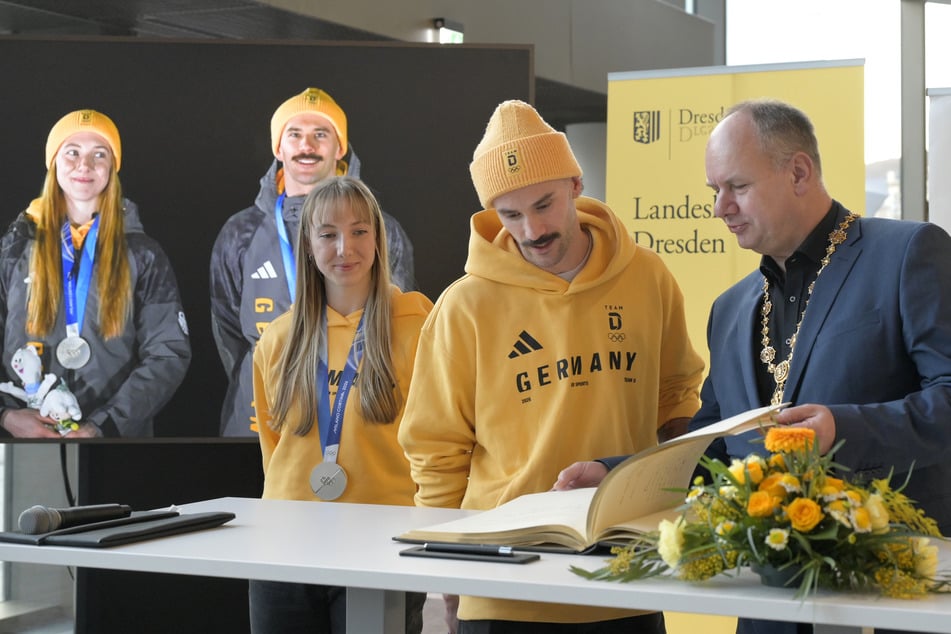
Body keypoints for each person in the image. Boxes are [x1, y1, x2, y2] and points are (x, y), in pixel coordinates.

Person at [554, 99, 951, 634]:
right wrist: (615, 473)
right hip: (767, 606)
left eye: (736, 187)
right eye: (714, 191)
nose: (720, 207)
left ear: (799, 172)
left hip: (892, 595)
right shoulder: (731, 307)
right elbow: (713, 444)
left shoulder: (906, 253)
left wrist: (843, 430)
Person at [397, 100, 704, 633]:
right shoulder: (465, 305)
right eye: (511, 215)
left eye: (544, 204)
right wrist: (446, 571)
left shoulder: (647, 276)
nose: (532, 229)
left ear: (576, 185)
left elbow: (677, 398)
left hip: (624, 570)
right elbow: (437, 449)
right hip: (503, 581)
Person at [249, 176, 432, 634]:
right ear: (308, 246)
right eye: (328, 234)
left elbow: (438, 444)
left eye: (358, 231)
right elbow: (273, 446)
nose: (344, 247)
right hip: (284, 545)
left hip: (382, 543)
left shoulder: (418, 328)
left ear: (378, 239)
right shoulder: (278, 340)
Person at [211, 87, 417, 437]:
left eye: (320, 134)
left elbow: (396, 327)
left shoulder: (381, 230)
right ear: (279, 148)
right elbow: (229, 333)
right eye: (295, 134)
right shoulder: (240, 232)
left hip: (354, 425)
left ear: (339, 148)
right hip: (257, 424)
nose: (307, 146)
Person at [0, 109, 191, 438]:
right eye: (72, 152)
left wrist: (106, 424)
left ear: (112, 168)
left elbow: (167, 352)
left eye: (98, 154)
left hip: (113, 443)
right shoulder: (15, 248)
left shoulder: (143, 253)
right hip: (22, 441)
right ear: (54, 162)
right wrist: (6, 417)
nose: (84, 165)